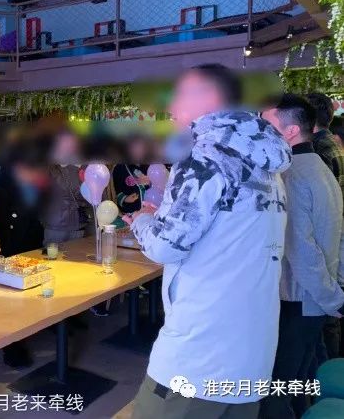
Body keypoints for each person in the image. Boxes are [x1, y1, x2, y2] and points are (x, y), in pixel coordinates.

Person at [125, 64, 292, 419]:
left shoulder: (203, 156)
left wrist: (142, 221)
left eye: (179, 95)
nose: (170, 106)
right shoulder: (264, 159)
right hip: (252, 350)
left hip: (200, 352)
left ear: (209, 98)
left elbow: (164, 247)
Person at [259, 94, 344, 418]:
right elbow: (338, 234)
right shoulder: (319, 167)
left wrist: (332, 298)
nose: (261, 133)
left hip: (300, 299)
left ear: (291, 131)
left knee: (274, 392)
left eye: (268, 125)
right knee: (301, 380)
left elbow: (301, 251)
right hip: (316, 299)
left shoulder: (291, 175)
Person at [0, 138, 49, 368]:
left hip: (30, 243)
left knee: (26, 298)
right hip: (11, 248)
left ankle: (21, 339)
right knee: (11, 302)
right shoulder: (2, 180)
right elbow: (1, 221)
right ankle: (12, 348)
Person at [306, 93, 344, 359]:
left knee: (324, 319)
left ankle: (327, 368)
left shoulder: (316, 151)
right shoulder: (335, 144)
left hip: (325, 237)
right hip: (337, 233)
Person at [42, 130, 89, 244]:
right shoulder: (50, 166)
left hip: (79, 224)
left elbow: (95, 196)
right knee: (53, 254)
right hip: (56, 225)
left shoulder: (85, 166)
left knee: (77, 253)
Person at [112, 135, 151, 214]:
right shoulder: (119, 168)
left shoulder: (148, 166)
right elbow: (117, 191)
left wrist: (150, 182)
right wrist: (125, 198)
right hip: (132, 211)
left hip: (150, 210)